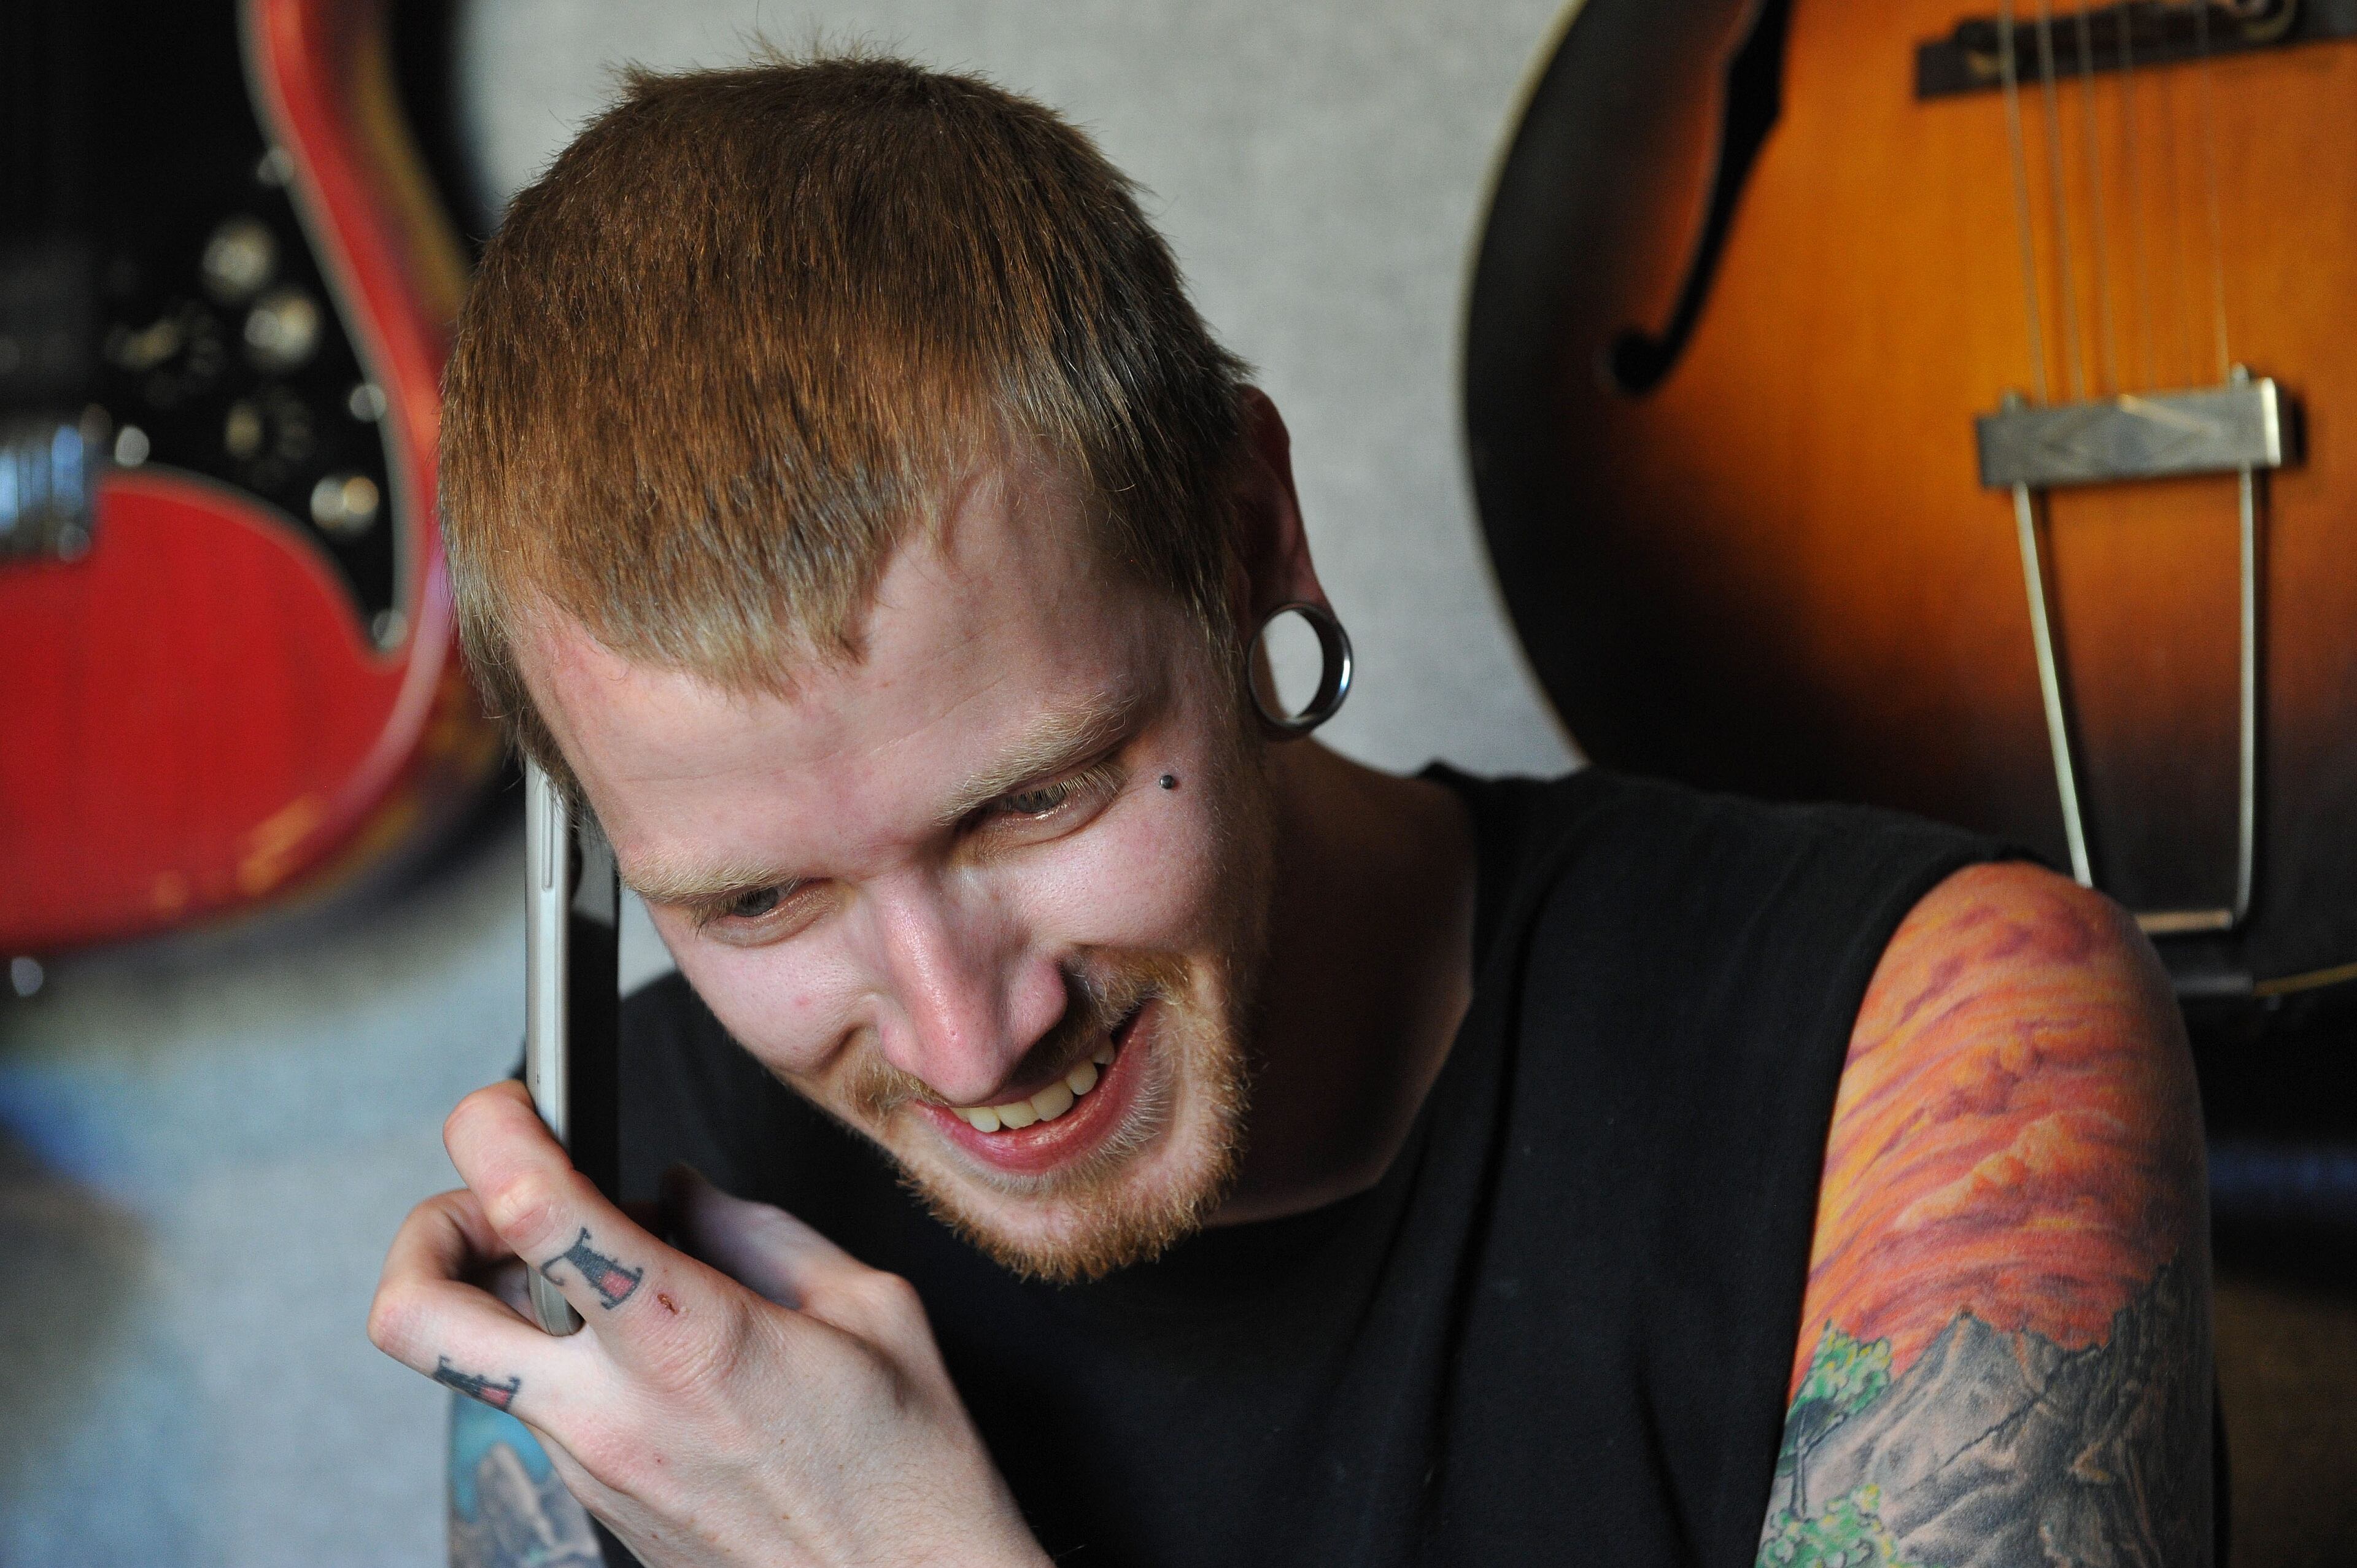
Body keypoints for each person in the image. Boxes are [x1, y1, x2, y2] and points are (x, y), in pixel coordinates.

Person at [368, 53, 2215, 1568]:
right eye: (759, 902)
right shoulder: (629, 1273)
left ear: (1250, 534)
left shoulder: (1941, 1065)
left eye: (1040, 797)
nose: (968, 1027)